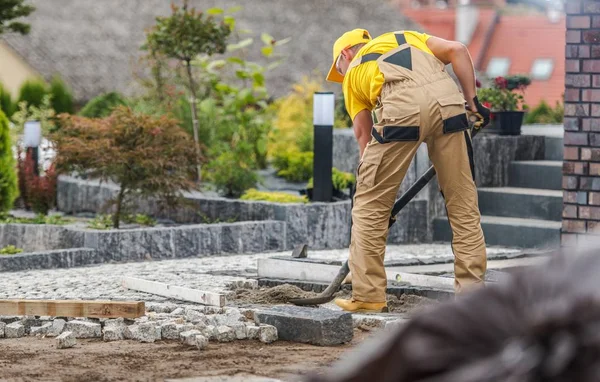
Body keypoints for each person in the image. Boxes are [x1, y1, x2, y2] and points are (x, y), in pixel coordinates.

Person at [326, 29, 490, 313]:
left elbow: (363, 136)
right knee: (463, 204)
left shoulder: (353, 72)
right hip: (450, 104)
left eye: (337, 68)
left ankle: (367, 295)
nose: (341, 73)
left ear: (345, 54)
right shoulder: (406, 36)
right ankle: (472, 297)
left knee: (368, 208)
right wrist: (473, 103)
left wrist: (377, 194)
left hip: (402, 109)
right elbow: (458, 50)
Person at [304, 248, 600, 382]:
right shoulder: (579, 268)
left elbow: (426, 338)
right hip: (455, 123)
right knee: (461, 201)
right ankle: (469, 286)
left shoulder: (568, 276)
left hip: (400, 122)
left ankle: (367, 294)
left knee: (371, 200)